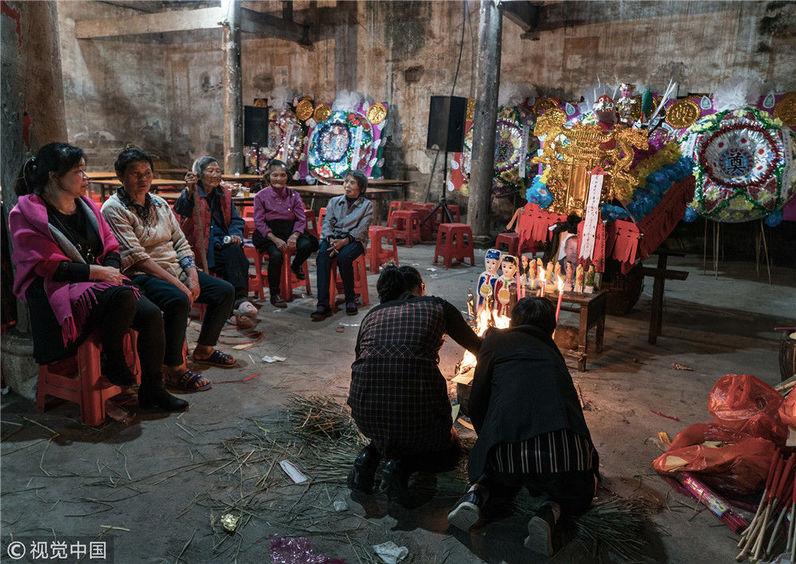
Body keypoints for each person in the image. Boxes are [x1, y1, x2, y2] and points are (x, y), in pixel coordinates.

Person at [9, 142, 186, 411]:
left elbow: (111, 245)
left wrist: (110, 269)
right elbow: (45, 265)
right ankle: (111, 357)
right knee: (123, 294)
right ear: (54, 176)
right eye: (79, 171)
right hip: (58, 287)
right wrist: (98, 272)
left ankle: (153, 390)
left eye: (84, 170)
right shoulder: (26, 214)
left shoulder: (87, 207)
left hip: (100, 283)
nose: (86, 177)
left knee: (151, 314)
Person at [446, 297, 599, 557]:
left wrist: (487, 443)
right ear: (550, 329)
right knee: (578, 488)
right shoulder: (553, 354)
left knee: (499, 474)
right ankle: (549, 513)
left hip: (506, 453)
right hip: (563, 455)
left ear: (513, 322)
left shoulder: (494, 340)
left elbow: (478, 399)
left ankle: (476, 496)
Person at [102, 147, 237, 393]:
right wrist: (180, 285)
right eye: (135, 174)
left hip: (173, 268)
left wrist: (192, 276)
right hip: (140, 275)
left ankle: (205, 348)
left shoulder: (160, 203)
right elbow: (137, 258)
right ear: (120, 176)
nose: (143, 179)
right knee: (177, 299)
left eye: (147, 173)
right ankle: (173, 368)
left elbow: (181, 242)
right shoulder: (113, 208)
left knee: (224, 291)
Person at [347, 266, 481, 503]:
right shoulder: (437, 306)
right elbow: (477, 347)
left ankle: (369, 456)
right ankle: (401, 466)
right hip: (417, 413)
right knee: (450, 452)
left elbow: (360, 363)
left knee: (392, 426)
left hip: (365, 412)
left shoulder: (372, 315)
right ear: (420, 288)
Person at [174, 156, 257, 326]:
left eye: (218, 171)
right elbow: (182, 213)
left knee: (235, 252)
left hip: (221, 243)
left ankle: (240, 301)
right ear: (198, 175)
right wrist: (189, 191)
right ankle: (230, 311)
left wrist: (235, 234)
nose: (215, 175)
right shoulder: (191, 194)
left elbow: (236, 220)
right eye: (210, 171)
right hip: (200, 246)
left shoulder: (224, 194)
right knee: (229, 262)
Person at [251, 159, 319, 308]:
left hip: (289, 229)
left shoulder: (294, 195)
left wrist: (294, 235)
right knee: (276, 255)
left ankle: (296, 265)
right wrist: (275, 240)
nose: (279, 179)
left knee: (307, 244)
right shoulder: (260, 196)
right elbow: (260, 222)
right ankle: (275, 294)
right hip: (269, 233)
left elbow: (301, 218)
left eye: (282, 175)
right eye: (275, 175)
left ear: (287, 177)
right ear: (268, 177)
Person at [311, 170, 373, 320]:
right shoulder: (334, 201)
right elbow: (327, 223)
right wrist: (331, 239)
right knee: (322, 257)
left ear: (362, 188)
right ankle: (322, 304)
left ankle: (350, 299)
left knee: (344, 258)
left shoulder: (367, 205)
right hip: (333, 239)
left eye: (352, 183)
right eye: (346, 182)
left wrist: (345, 241)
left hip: (354, 241)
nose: (347, 186)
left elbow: (362, 230)